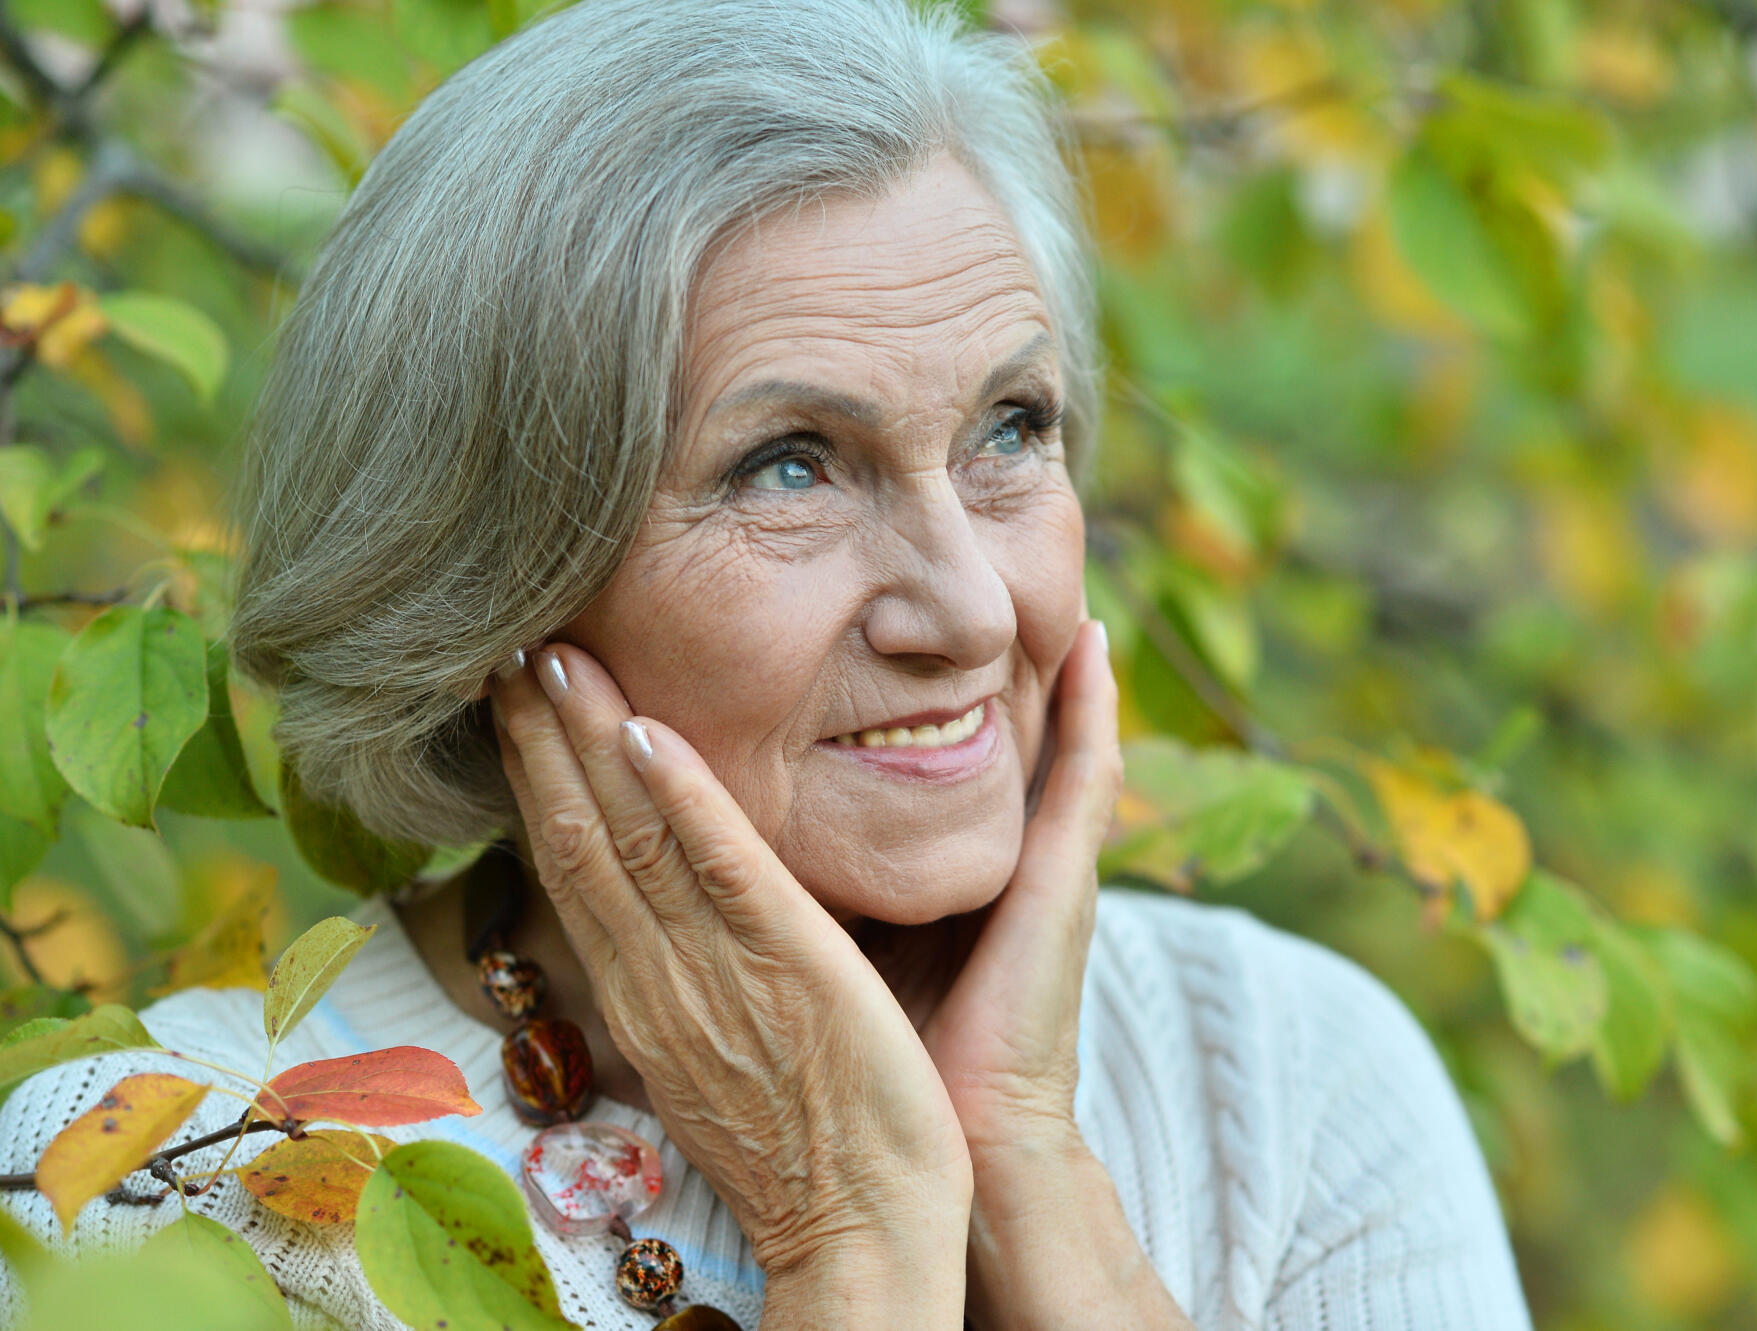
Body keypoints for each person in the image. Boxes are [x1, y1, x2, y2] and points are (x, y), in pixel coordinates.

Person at [0, 0, 1535, 1326]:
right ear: (487, 582)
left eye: (1011, 430)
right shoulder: (171, 1181)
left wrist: (1029, 1172)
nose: (972, 610)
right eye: (789, 466)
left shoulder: (1285, 1075)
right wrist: (848, 1233)